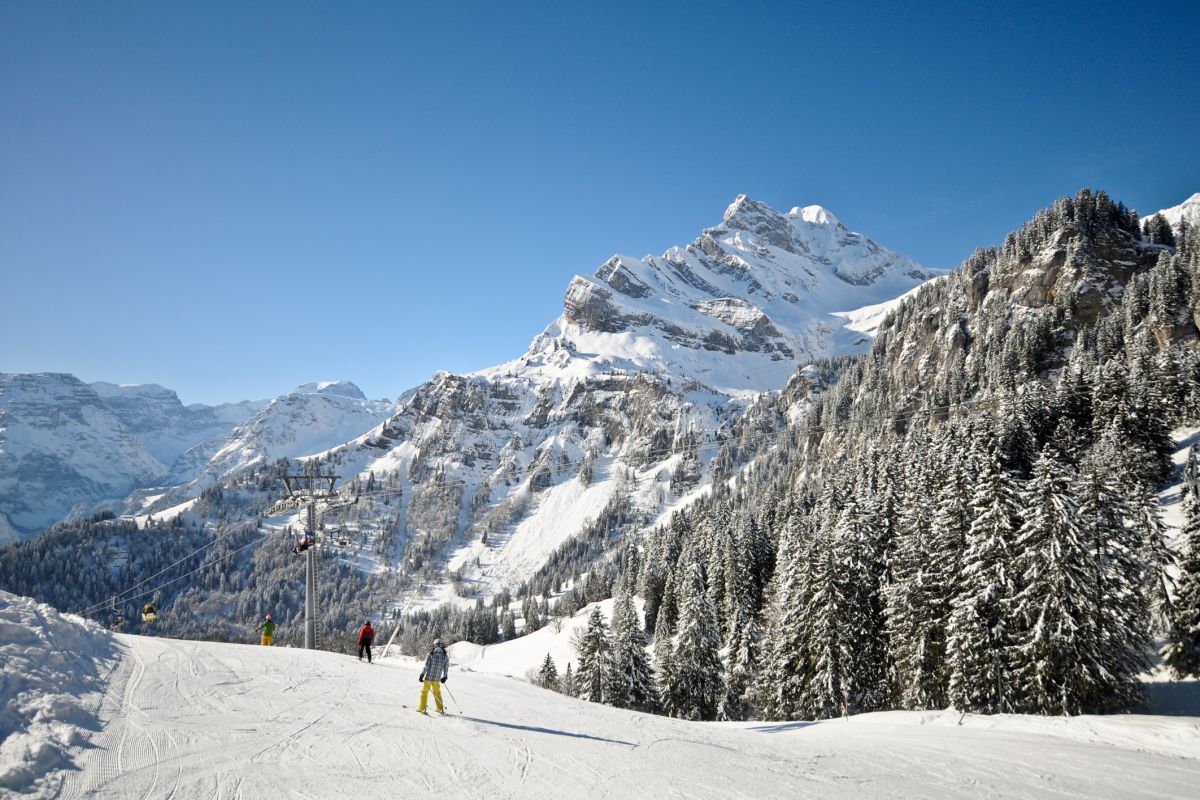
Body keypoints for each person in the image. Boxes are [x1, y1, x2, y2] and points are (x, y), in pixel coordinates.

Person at [416, 637, 449, 714]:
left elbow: (426, 666)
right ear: (441, 645)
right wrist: (444, 676)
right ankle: (440, 709)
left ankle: (421, 708)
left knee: (424, 692)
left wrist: (422, 674)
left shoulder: (431, 654)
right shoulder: (445, 656)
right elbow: (446, 667)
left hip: (428, 678)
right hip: (436, 679)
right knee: (437, 693)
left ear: (435, 645)